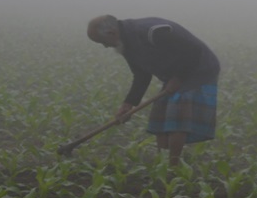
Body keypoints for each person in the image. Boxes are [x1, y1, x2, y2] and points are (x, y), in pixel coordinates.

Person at [86, 15, 220, 166]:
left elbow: (193, 50)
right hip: (174, 74)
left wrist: (178, 78)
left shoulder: (152, 32)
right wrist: (128, 104)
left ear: (111, 33)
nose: (105, 46)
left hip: (198, 69)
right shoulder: (125, 44)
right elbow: (141, 75)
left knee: (177, 115)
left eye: (103, 42)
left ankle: (173, 164)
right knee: (160, 116)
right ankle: (161, 164)